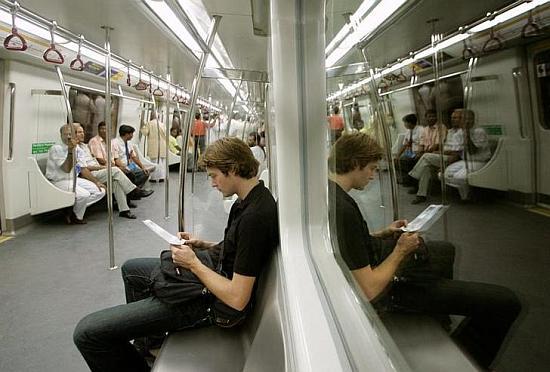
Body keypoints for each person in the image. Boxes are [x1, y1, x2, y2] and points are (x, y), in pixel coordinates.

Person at [73, 137, 279, 372]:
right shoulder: (249, 201)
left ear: (232, 169)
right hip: (216, 274)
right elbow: (240, 250)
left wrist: (193, 264)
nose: (212, 183)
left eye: (214, 176)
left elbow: (237, 298)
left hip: (215, 305)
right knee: (132, 269)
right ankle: (150, 345)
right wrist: (202, 244)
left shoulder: (255, 218)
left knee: (88, 333)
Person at [328, 132, 520, 370]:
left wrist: (382, 233)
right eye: (371, 168)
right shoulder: (343, 211)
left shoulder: (331, 195)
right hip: (388, 291)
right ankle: (465, 357)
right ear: (355, 163)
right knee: (506, 302)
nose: (373, 176)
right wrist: (400, 251)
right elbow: (368, 289)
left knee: (444, 250)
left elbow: (350, 243)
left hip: (374, 258)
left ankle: (437, 316)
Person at [46, 123, 105, 224]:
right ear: (61, 135)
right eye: (66, 134)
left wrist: (96, 182)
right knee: (84, 195)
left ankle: (71, 210)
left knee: (100, 191)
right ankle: (76, 217)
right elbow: (66, 169)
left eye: (71, 134)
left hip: (73, 179)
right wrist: (70, 151)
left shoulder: (78, 149)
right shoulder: (56, 149)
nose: (69, 137)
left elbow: (83, 168)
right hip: (59, 181)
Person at [75, 124, 139, 219]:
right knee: (116, 170)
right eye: (79, 132)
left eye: (83, 132)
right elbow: (84, 168)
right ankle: (133, 190)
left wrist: (103, 167)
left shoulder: (84, 146)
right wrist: (103, 167)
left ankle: (124, 210)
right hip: (89, 174)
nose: (82, 134)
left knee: (116, 182)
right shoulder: (75, 149)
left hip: (99, 169)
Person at [408, 108, 464, 204]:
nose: (453, 120)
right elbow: (425, 144)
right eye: (452, 118)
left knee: (426, 157)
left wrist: (438, 152)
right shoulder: (450, 131)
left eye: (456, 118)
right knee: (425, 168)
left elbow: (453, 151)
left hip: (451, 158)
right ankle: (421, 195)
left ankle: (413, 176)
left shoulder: (458, 131)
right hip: (440, 154)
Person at [444, 110, 492, 200]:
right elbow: (456, 151)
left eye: (470, 119)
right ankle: (465, 194)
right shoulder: (459, 133)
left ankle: (466, 198)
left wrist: (467, 135)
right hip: (465, 161)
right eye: (465, 119)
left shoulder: (479, 131)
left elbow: (473, 151)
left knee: (460, 177)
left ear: (474, 120)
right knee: (447, 174)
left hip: (479, 161)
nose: (467, 121)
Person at [112, 125, 153, 197]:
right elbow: (116, 159)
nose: (132, 136)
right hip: (121, 167)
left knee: (145, 173)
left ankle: (134, 192)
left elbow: (134, 157)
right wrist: (125, 168)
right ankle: (134, 192)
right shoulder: (114, 143)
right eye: (131, 134)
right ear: (127, 134)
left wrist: (143, 167)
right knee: (131, 174)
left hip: (130, 166)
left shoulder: (128, 143)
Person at [394, 113, 422, 186]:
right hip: (410, 152)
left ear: (410, 122)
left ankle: (413, 182)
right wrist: (398, 155)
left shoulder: (421, 130)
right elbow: (404, 145)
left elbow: (423, 144)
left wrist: (418, 153)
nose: (404, 124)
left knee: (405, 160)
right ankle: (405, 179)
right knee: (396, 161)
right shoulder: (409, 131)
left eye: (405, 122)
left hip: (417, 152)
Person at [141, 111, 167, 182]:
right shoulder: (162, 124)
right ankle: (162, 177)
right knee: (162, 162)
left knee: (155, 162)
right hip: (163, 146)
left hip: (154, 146)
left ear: (151, 116)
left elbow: (145, 132)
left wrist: (142, 126)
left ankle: (154, 178)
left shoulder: (149, 123)